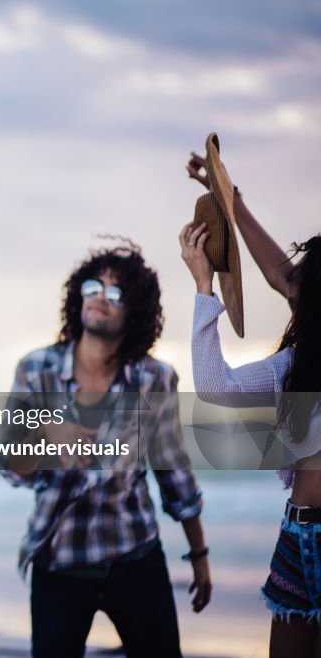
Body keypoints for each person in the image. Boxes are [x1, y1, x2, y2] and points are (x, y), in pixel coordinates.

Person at [0, 241, 211, 658]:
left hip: (134, 554)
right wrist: (44, 432)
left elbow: (174, 472)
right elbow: (12, 468)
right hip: (58, 558)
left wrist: (199, 555)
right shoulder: (36, 369)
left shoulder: (154, 379)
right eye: (94, 287)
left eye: (116, 293)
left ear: (134, 312)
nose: (101, 297)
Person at [183, 155, 321, 657]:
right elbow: (216, 387)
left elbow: (279, 276)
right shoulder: (295, 366)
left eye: (300, 285)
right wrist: (204, 286)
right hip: (296, 538)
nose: (289, 287)